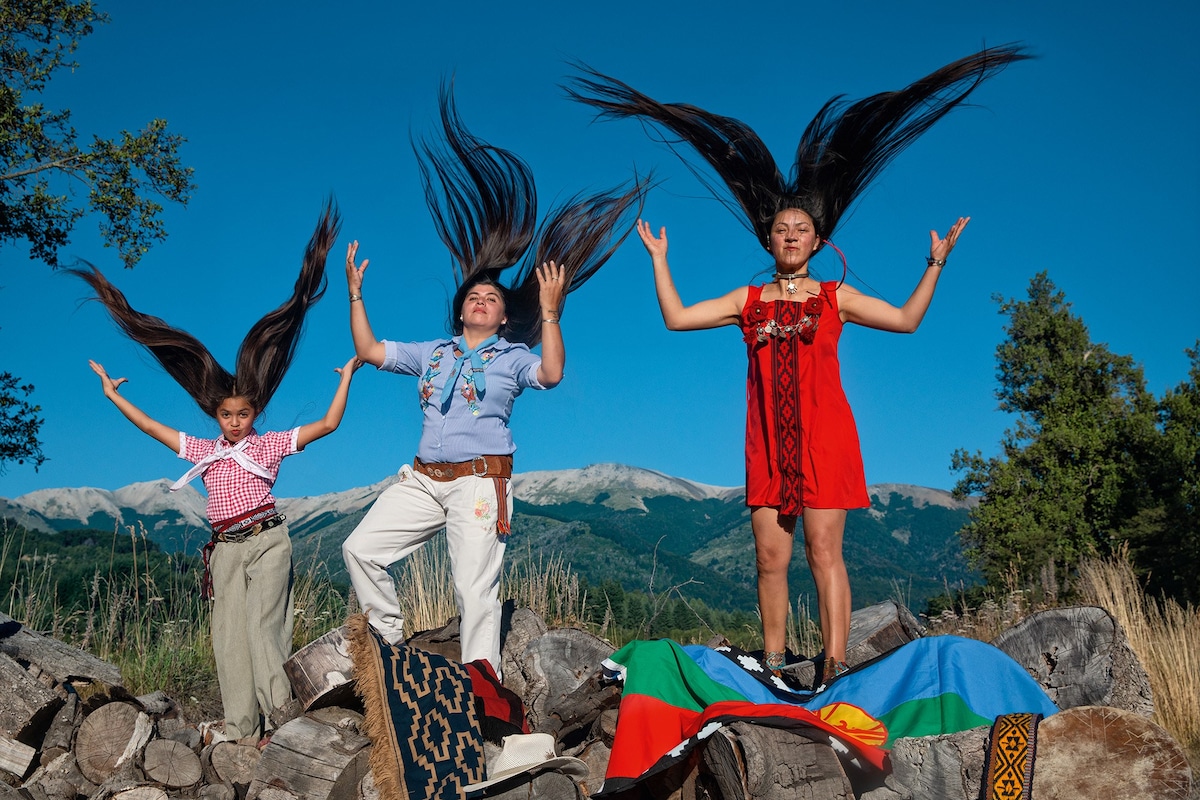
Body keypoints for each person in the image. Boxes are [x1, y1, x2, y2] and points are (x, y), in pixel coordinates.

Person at [568, 46, 1028, 687]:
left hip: (826, 442)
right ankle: (778, 663)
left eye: (801, 229)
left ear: (817, 240)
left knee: (824, 554)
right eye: (781, 228)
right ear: (768, 240)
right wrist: (658, 259)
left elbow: (905, 320)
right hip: (768, 446)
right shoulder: (746, 301)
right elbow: (675, 317)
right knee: (768, 558)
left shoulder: (834, 298)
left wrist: (936, 263)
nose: (790, 235)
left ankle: (835, 665)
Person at [340, 84, 646, 676]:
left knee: (474, 589)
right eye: (473, 296)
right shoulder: (430, 351)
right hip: (423, 480)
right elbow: (371, 349)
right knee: (360, 548)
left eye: (492, 298)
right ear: (460, 310)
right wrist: (355, 293)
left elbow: (552, 375)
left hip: (480, 485)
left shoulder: (511, 356)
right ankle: (389, 648)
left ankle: (484, 683)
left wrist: (552, 313)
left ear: (505, 315)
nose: (481, 300)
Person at [74, 203, 358, 741]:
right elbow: (156, 430)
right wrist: (113, 396)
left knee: (263, 628)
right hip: (224, 545)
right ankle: (239, 726)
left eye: (242, 414)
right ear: (215, 414)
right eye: (225, 415)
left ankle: (282, 721)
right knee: (228, 635)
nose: (233, 422)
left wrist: (345, 376)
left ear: (255, 412)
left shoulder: (271, 445)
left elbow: (327, 425)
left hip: (268, 539)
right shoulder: (204, 452)